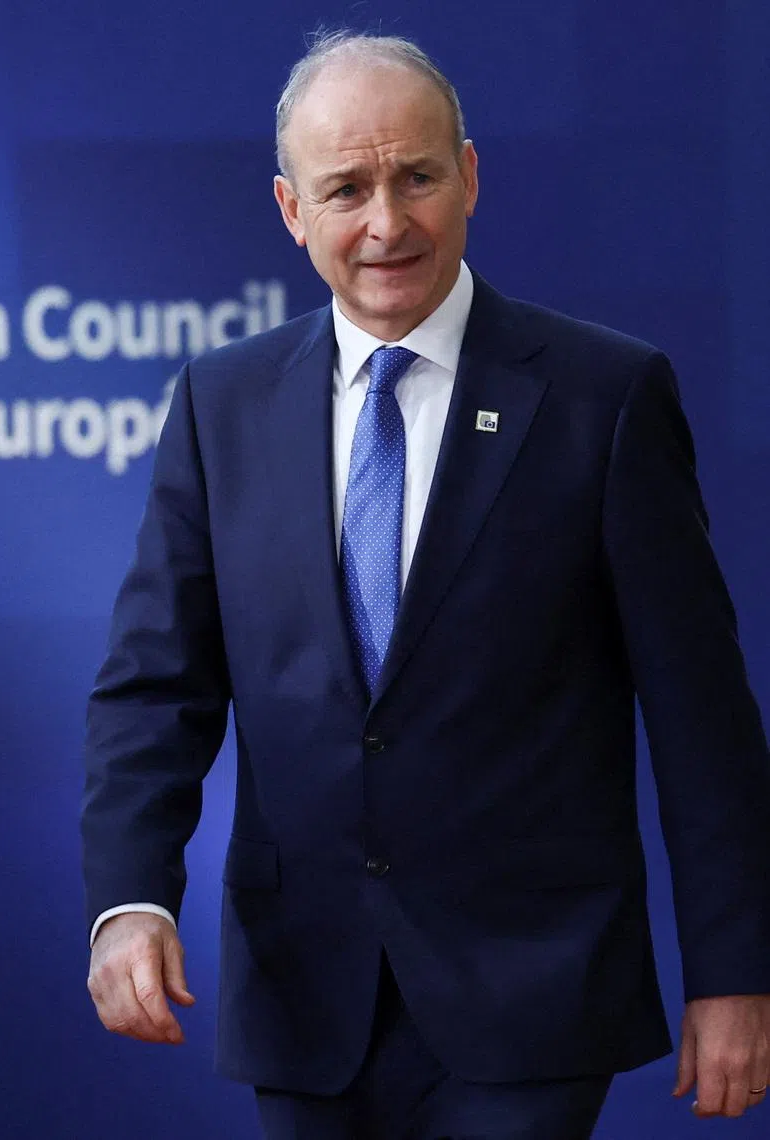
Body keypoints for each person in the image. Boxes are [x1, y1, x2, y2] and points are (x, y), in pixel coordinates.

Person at [80, 30, 770, 1139]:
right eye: (346, 189)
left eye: (417, 177)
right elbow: (154, 687)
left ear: (472, 176)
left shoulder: (606, 397)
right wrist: (130, 898)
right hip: (305, 993)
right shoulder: (223, 404)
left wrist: (734, 971)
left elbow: (703, 721)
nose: (386, 223)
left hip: (532, 992)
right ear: (291, 210)